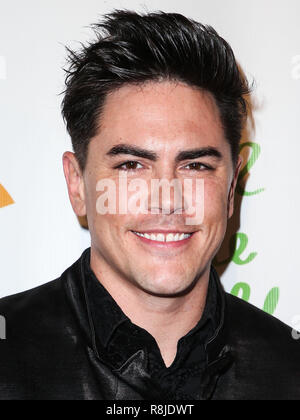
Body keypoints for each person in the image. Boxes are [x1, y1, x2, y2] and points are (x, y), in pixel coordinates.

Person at [0, 9, 299, 401]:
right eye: (131, 165)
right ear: (77, 184)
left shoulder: (290, 371)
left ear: (230, 190)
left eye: (195, 165)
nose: (167, 200)